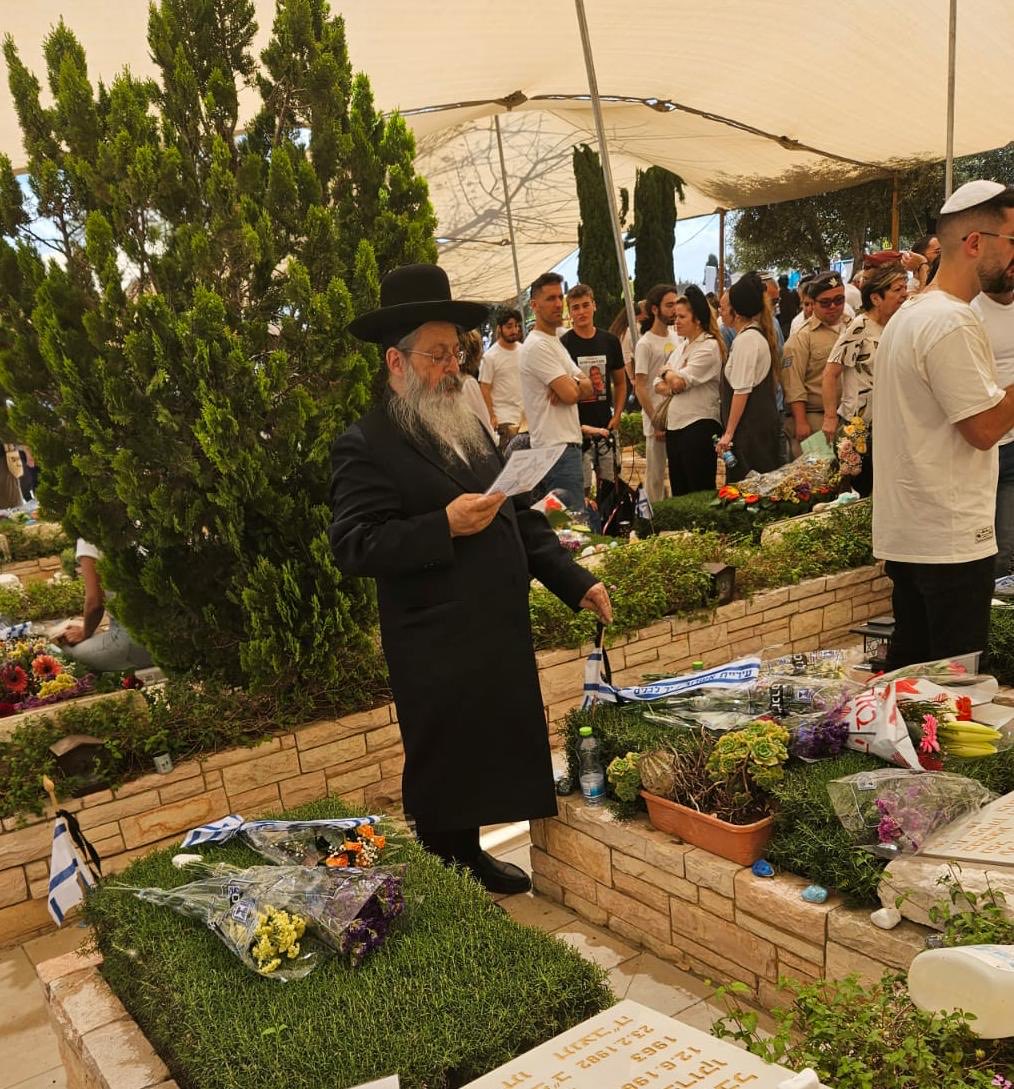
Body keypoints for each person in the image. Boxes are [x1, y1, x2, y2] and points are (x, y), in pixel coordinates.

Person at [329, 263, 612, 894]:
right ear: (395, 364)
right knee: (446, 763)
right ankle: (447, 873)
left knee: (487, 752)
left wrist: (573, 580)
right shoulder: (366, 444)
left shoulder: (465, 424)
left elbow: (514, 509)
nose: (451, 367)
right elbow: (352, 544)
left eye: (455, 352)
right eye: (436, 355)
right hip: (434, 637)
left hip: (491, 626)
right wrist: (442, 526)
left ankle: (471, 853)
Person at [873, 181, 1014, 670]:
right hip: (950, 540)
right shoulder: (950, 321)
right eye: (1013, 242)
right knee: (950, 697)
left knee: (914, 684)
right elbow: (984, 429)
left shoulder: (912, 314)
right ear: (975, 242)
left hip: (917, 533)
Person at [821, 262, 908, 497]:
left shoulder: (899, 325)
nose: (904, 294)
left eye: (905, 287)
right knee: (863, 486)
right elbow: (831, 372)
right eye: (897, 289)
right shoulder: (860, 327)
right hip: (859, 424)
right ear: (876, 298)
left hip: (891, 423)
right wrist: (830, 417)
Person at [516, 272, 593, 509]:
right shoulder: (537, 345)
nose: (558, 304)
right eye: (550, 298)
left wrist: (571, 384)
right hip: (555, 450)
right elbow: (571, 394)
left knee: (571, 530)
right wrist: (573, 385)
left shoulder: (554, 342)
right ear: (534, 305)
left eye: (560, 297)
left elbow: (589, 386)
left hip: (564, 448)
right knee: (571, 531)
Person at [655, 285, 724, 495]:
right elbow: (658, 385)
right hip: (675, 427)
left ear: (698, 319)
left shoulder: (709, 346)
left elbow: (677, 383)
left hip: (699, 427)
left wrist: (667, 372)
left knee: (699, 491)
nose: (676, 321)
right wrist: (670, 376)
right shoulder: (681, 347)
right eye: (675, 316)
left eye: (682, 317)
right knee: (680, 491)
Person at [561, 284, 627, 503]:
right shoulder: (564, 344)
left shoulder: (610, 341)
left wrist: (617, 415)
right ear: (570, 312)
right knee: (581, 489)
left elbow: (620, 382)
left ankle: (610, 527)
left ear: (594, 306)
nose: (581, 312)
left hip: (606, 426)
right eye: (576, 307)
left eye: (585, 305)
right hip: (577, 430)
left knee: (610, 485)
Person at [716, 273, 781, 480]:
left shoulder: (749, 340)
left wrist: (728, 434)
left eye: (724, 307)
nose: (721, 312)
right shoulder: (748, 336)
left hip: (751, 434)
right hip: (753, 431)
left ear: (736, 311)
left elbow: (741, 391)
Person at [54, 540, 155, 672]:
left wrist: (85, 632)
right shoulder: (144, 521)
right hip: (179, 637)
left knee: (64, 652)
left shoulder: (89, 536)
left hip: (136, 645)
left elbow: (95, 603)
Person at [971, 283, 1014, 575]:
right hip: (983, 442)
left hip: (1011, 444)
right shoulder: (970, 312)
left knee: (1006, 544)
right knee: (984, 540)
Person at [782, 272, 849, 456]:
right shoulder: (802, 338)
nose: (833, 306)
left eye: (839, 299)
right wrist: (801, 422)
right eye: (825, 302)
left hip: (848, 418)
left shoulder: (852, 327)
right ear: (812, 302)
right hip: (815, 420)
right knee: (817, 482)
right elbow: (793, 384)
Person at [634, 283, 681, 503]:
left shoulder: (677, 337)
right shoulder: (645, 344)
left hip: (678, 416)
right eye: (669, 305)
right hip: (656, 420)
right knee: (655, 476)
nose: (674, 310)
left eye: (676, 304)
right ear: (655, 309)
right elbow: (640, 385)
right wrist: (655, 421)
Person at [479, 308, 524, 451]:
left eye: (516, 326)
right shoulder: (490, 357)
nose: (514, 330)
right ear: (500, 328)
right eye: (509, 326)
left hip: (525, 418)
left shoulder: (525, 350)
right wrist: (492, 416)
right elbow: (484, 388)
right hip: (504, 420)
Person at [777, 275, 800, 341]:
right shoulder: (793, 293)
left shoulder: (777, 295)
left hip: (783, 324)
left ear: (779, 283)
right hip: (793, 322)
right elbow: (798, 305)